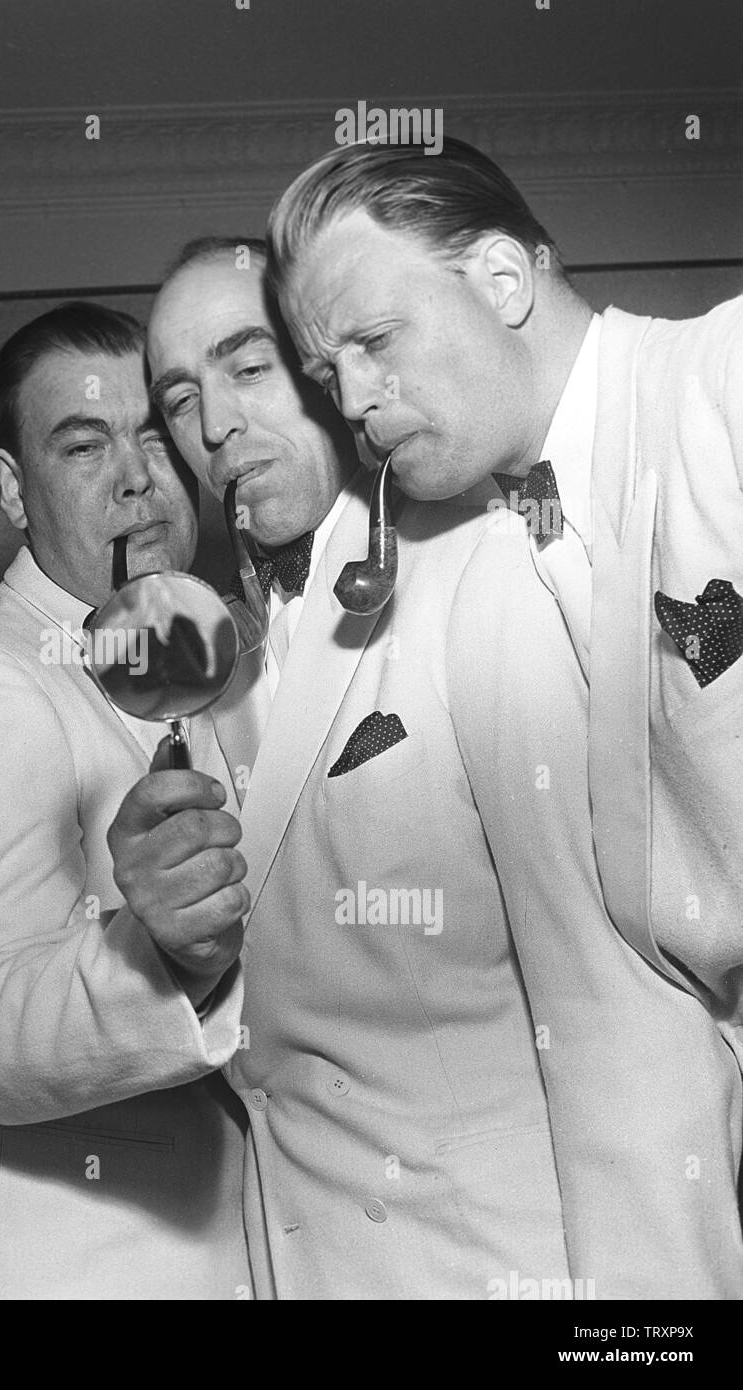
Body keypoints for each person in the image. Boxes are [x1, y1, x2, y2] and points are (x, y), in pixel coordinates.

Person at [147, 237, 743, 1297]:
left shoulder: (486, 567)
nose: (212, 423)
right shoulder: (213, 673)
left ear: (330, 374)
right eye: (178, 394)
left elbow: (619, 1021)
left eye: (246, 367)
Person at [267, 138, 743, 1049]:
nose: (355, 399)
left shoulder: (721, 374)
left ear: (500, 280)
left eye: (374, 341)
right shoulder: (492, 556)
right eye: (329, 373)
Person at [0, 303, 251, 1299]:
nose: (136, 475)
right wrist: (169, 958)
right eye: (84, 447)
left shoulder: (195, 658)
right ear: (9, 486)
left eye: (156, 439)